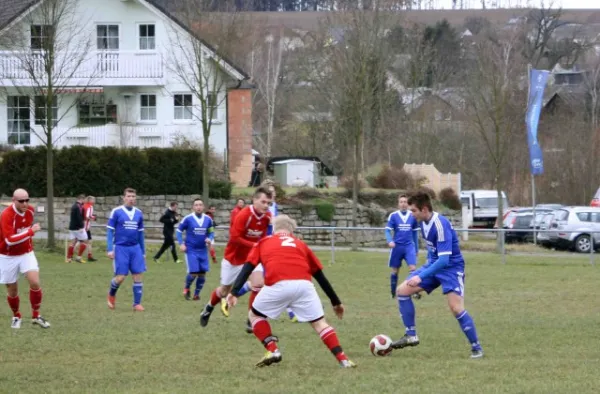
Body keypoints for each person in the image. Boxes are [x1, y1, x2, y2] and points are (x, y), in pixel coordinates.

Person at [227, 215, 355, 368]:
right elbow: (320, 276)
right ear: (292, 231)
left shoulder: (263, 242)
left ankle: (273, 350)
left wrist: (234, 292)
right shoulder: (301, 244)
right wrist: (336, 303)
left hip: (277, 284)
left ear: (273, 229)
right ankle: (343, 360)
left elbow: (248, 266)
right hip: (304, 285)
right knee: (320, 324)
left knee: (254, 315)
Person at [390, 191, 483, 359]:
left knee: (456, 308)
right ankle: (411, 335)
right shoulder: (422, 223)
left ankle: (476, 347)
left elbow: (445, 260)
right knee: (402, 291)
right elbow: (433, 252)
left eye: (414, 211)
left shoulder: (440, 224)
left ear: (424, 209)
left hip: (451, 269)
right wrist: (422, 275)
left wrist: (420, 276)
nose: (411, 214)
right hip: (434, 265)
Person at [199, 187, 271, 328]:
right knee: (224, 290)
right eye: (263, 202)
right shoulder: (245, 215)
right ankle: (208, 308)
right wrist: (254, 245)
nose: (266, 205)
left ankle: (252, 320)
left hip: (252, 257)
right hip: (234, 258)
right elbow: (235, 238)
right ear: (254, 200)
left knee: (258, 284)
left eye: (268, 203)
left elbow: (262, 237)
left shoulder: (267, 217)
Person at [232, 182, 297, 332]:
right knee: (262, 284)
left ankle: (254, 315)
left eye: (272, 193)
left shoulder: (272, 208)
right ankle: (252, 316)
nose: (271, 196)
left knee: (270, 282)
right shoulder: (262, 210)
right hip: (263, 249)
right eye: (269, 193)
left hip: (271, 248)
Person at [0, 188, 50, 329]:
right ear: (14, 200)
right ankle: (16, 316)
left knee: (34, 282)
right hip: (7, 256)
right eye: (21, 201)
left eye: (27, 200)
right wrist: (30, 231)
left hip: (26, 253)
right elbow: (9, 240)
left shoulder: (30, 210)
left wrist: (28, 232)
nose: (25, 203)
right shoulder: (6, 215)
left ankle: (36, 316)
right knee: (12, 291)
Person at [106, 188, 146, 311]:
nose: (131, 198)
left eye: (133, 196)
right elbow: (109, 231)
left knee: (137, 275)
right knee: (120, 277)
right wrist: (109, 249)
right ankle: (111, 294)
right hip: (120, 247)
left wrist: (143, 251)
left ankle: (136, 304)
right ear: (124, 198)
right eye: (129, 196)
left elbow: (140, 234)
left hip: (135, 248)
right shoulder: (117, 212)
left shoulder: (139, 213)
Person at [176, 199, 214, 301]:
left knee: (202, 273)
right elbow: (178, 231)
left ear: (203, 207)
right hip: (191, 250)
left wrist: (209, 239)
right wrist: (181, 243)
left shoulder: (208, 219)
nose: (198, 207)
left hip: (203, 250)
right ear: (193, 207)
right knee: (193, 273)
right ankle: (187, 288)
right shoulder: (188, 219)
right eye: (196, 205)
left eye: (200, 205)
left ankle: (196, 294)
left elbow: (211, 232)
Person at [385, 194, 420, 299]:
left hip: (409, 246)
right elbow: (387, 230)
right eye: (401, 202)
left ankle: (413, 291)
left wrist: (416, 249)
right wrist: (389, 240)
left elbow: (414, 234)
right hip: (397, 247)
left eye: (405, 202)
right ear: (398, 204)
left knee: (413, 268)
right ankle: (393, 292)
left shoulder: (412, 215)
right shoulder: (393, 216)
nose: (403, 204)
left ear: (408, 204)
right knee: (395, 270)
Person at [66, 194, 87, 263]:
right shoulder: (79, 206)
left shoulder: (73, 206)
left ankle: (69, 258)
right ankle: (79, 257)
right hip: (78, 228)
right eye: (84, 200)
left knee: (72, 242)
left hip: (72, 227)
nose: (84, 201)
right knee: (84, 241)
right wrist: (81, 226)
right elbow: (79, 217)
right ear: (81, 199)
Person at [83, 196, 97, 262]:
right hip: (86, 226)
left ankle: (89, 256)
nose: (94, 201)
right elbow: (87, 216)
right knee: (87, 241)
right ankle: (72, 254)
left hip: (82, 225)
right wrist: (93, 217)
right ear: (90, 200)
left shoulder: (84, 205)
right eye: (93, 200)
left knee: (88, 241)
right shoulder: (90, 206)